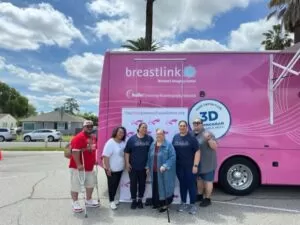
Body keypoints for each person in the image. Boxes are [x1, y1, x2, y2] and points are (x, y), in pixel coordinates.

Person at [69, 120, 100, 213]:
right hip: (78, 167)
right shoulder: (78, 137)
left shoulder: (93, 137)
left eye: (91, 126)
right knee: (76, 185)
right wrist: (78, 164)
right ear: (83, 127)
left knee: (90, 184)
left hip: (90, 167)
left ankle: (89, 200)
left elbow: (93, 150)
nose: (90, 128)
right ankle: (75, 202)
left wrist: (95, 160)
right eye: (87, 126)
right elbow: (74, 151)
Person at [172, 120, 200, 215]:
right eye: (181, 126)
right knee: (182, 184)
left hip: (190, 166)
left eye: (184, 126)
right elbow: (172, 152)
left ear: (187, 127)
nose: (182, 127)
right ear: (178, 127)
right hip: (179, 166)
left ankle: (192, 205)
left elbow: (197, 152)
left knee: (191, 185)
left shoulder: (192, 138)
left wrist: (195, 165)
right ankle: (183, 203)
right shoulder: (175, 137)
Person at [124, 122, 154, 209]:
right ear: (139, 128)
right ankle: (134, 200)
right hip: (133, 167)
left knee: (142, 184)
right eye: (143, 127)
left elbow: (152, 153)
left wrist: (149, 165)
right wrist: (127, 163)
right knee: (133, 184)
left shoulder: (150, 139)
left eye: (146, 128)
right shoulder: (132, 139)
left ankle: (140, 200)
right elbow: (126, 152)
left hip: (144, 167)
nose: (145, 129)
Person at [146, 128, 176, 212]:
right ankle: (156, 203)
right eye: (157, 134)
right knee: (156, 188)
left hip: (164, 171)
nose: (159, 135)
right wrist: (147, 166)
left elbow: (173, 157)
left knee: (164, 187)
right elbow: (149, 156)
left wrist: (165, 165)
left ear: (164, 135)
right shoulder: (153, 144)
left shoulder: (168, 145)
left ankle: (165, 205)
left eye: (161, 134)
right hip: (154, 171)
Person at [192, 118, 218, 207]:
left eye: (198, 123)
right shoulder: (191, 134)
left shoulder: (208, 133)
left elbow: (215, 147)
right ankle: (199, 196)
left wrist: (209, 139)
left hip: (208, 164)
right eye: (194, 123)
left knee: (208, 182)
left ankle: (208, 199)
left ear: (202, 124)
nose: (196, 124)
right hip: (197, 164)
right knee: (199, 180)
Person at [102, 126, 127, 210]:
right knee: (111, 185)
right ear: (115, 132)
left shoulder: (123, 143)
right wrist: (107, 168)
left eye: (123, 132)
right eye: (119, 132)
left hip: (120, 169)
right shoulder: (110, 142)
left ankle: (113, 199)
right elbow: (105, 156)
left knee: (116, 184)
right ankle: (111, 201)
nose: (121, 134)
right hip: (111, 169)